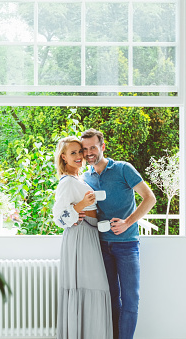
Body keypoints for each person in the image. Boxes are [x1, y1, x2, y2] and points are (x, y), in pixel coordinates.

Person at [80, 129, 156, 339]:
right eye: (85, 149)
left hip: (127, 244)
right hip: (101, 245)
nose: (89, 153)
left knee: (131, 299)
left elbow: (149, 198)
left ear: (102, 147)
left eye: (93, 147)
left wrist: (128, 222)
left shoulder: (123, 169)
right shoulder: (86, 177)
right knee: (112, 299)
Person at [52, 136, 113, 339]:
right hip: (80, 238)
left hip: (89, 235)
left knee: (95, 288)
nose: (79, 156)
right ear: (63, 157)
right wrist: (80, 205)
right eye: (73, 153)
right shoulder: (67, 182)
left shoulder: (79, 178)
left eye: (80, 151)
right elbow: (59, 218)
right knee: (90, 287)